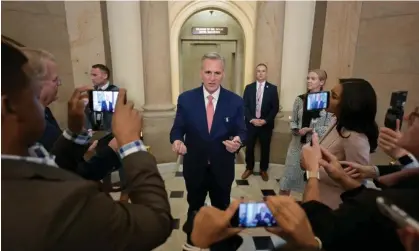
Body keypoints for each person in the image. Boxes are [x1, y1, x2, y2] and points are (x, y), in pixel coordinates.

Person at [2, 42, 172, 251]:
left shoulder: (25, 155)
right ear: (9, 106)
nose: (42, 104)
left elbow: (55, 167)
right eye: (33, 96)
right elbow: (154, 222)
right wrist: (131, 143)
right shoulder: (67, 202)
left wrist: (74, 132)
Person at [169, 52, 246, 249]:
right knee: (195, 208)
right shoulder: (186, 99)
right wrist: (177, 140)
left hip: (222, 166)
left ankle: (219, 246)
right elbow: (177, 128)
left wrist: (238, 140)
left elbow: (241, 130)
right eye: (208, 72)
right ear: (201, 73)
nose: (212, 78)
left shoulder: (235, 101)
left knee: (222, 210)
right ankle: (192, 244)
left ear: (223, 74)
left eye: (217, 73)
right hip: (195, 166)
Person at [316, 78, 379, 209]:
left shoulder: (356, 139)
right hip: (319, 193)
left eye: (333, 96)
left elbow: (355, 182)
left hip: (334, 204)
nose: (326, 98)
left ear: (349, 105)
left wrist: (313, 169)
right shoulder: (337, 121)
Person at [279, 69, 333, 196]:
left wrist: (311, 130)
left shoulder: (328, 103)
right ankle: (280, 209)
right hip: (297, 146)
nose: (309, 81)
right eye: (308, 78)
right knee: (287, 180)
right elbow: (293, 121)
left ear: (322, 82)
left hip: (315, 148)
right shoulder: (300, 99)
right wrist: (296, 129)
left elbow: (329, 128)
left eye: (313, 79)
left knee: (309, 184)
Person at [241, 63, 279, 181]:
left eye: (263, 71)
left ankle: (263, 170)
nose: (260, 73)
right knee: (250, 147)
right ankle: (249, 168)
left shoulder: (272, 89)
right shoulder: (249, 88)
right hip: (251, 124)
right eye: (258, 71)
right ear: (255, 73)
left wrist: (265, 121)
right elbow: (244, 106)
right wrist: (252, 119)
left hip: (265, 125)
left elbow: (275, 107)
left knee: (265, 148)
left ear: (266, 73)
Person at [85, 64, 118, 131]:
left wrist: (89, 99)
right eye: (91, 75)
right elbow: (88, 112)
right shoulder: (92, 91)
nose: (92, 78)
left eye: (95, 75)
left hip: (109, 132)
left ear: (105, 76)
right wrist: (89, 128)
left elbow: (107, 104)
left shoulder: (114, 90)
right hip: (94, 131)